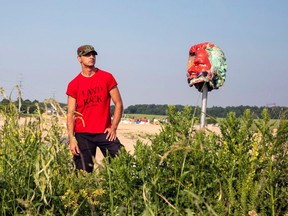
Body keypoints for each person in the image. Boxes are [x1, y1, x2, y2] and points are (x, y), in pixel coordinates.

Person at [66, 44, 124, 173]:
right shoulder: (74, 84)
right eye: (87, 55)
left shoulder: (107, 77)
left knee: (123, 164)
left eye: (93, 54)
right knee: (83, 173)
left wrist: (114, 127)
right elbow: (71, 113)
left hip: (105, 132)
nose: (91, 57)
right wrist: (71, 138)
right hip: (83, 134)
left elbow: (118, 103)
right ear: (79, 59)